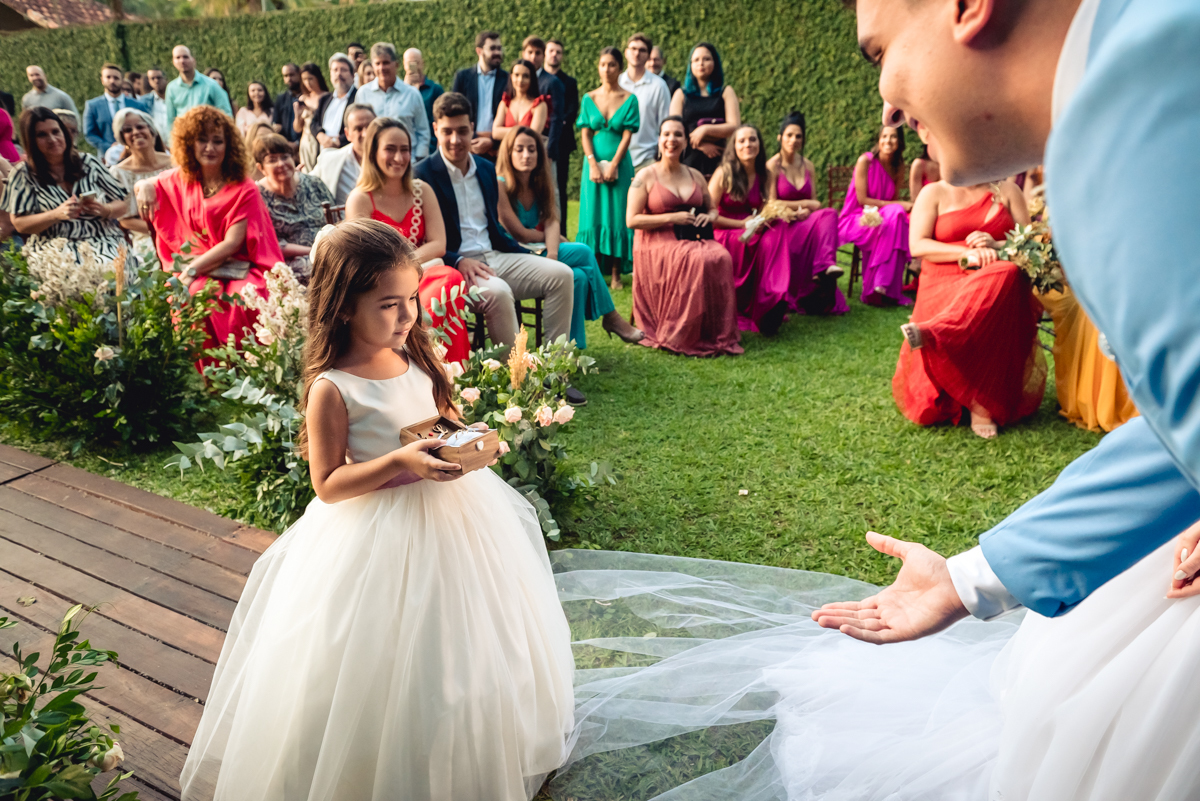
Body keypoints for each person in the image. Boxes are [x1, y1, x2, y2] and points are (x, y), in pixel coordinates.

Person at [181, 218, 574, 799]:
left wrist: (468, 442)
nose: (407, 315)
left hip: (454, 520)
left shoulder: (413, 356)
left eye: (411, 299)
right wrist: (399, 462)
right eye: (389, 305)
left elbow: (439, 420)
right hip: (375, 534)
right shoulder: (333, 387)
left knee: (465, 640)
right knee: (382, 656)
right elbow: (328, 483)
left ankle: (474, 741)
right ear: (343, 307)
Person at [415, 92, 575, 360]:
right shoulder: (422, 174)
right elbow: (422, 239)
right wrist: (457, 260)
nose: (455, 140)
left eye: (462, 131)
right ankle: (515, 376)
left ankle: (554, 368)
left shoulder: (486, 168)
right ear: (435, 129)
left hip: (495, 256)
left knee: (562, 274)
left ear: (472, 128)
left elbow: (494, 229)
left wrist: (529, 251)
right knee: (499, 292)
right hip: (454, 268)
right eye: (447, 132)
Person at [894, 178, 1043, 437]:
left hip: (997, 275)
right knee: (988, 291)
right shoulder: (934, 192)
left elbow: (1030, 244)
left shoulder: (1008, 191)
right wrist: (965, 253)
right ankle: (945, 335)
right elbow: (917, 245)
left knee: (1006, 274)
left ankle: (938, 334)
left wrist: (996, 245)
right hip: (944, 274)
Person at [136, 105, 278, 353]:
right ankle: (205, 370)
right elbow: (149, 184)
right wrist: (144, 185)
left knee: (243, 299)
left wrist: (191, 270)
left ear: (228, 145)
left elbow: (232, 243)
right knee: (193, 293)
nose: (210, 148)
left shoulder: (244, 187)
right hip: (201, 267)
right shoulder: (182, 178)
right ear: (190, 143)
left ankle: (248, 365)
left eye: (217, 141)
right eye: (202, 140)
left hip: (241, 265)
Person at [496, 126, 643, 348]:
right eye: (519, 149)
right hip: (513, 253)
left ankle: (569, 350)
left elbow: (552, 220)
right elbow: (519, 232)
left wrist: (553, 255)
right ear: (508, 153)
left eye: (532, 150)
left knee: (578, 277)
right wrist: (551, 240)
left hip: (538, 249)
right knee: (582, 251)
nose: (526, 155)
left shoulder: (540, 181)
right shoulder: (500, 184)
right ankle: (611, 317)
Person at [344, 117, 467, 364]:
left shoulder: (422, 191)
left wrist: (406, 263)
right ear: (373, 152)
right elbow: (364, 260)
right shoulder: (360, 199)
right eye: (390, 149)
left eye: (405, 149)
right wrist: (400, 269)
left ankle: (453, 369)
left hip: (426, 273)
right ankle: (426, 361)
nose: (399, 158)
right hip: (384, 285)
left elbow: (439, 244)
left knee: (450, 279)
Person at [627, 116, 741, 357]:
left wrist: (708, 217)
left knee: (721, 256)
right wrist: (671, 218)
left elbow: (712, 208)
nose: (672, 139)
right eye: (666, 134)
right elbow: (632, 220)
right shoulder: (644, 176)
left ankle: (713, 331)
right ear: (659, 140)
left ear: (686, 142)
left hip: (692, 235)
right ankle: (683, 332)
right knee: (695, 260)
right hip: (656, 240)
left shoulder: (695, 175)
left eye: (678, 134)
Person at [3, 107, 127, 262]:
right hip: (54, 247)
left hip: (104, 240)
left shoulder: (88, 162)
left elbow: (123, 203)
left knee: (110, 264)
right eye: (42, 135)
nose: (52, 139)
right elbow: (19, 224)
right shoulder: (23, 174)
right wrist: (55, 215)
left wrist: (105, 209)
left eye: (56, 132)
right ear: (31, 140)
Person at [763, 110, 848, 319]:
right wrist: (802, 207)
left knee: (829, 213)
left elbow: (816, 202)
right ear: (780, 137)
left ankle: (825, 266)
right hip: (784, 224)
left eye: (798, 136)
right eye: (789, 135)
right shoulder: (772, 166)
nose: (793, 140)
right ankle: (822, 268)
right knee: (822, 213)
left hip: (805, 222)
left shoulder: (808, 165)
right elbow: (771, 203)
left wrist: (807, 209)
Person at [576, 47, 639, 290]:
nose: (606, 69)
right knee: (592, 214)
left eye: (612, 64)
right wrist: (592, 163)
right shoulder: (588, 98)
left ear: (620, 68)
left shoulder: (630, 99)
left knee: (617, 214)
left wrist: (613, 164)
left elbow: (627, 136)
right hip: (592, 165)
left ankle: (615, 273)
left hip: (620, 165)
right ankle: (593, 269)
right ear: (598, 67)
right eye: (603, 64)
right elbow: (585, 134)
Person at [837, 125, 913, 306]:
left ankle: (882, 284)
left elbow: (892, 200)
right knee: (896, 214)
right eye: (884, 136)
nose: (888, 141)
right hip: (859, 216)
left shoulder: (898, 167)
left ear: (900, 142)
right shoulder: (866, 161)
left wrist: (896, 206)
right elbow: (862, 200)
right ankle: (882, 283)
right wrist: (898, 205)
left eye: (893, 137)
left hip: (885, 217)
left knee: (897, 218)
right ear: (878, 140)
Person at [254, 132, 333, 283]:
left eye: (285, 157)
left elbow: (336, 218)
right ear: (261, 168)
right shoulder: (258, 196)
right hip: (290, 264)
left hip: (330, 250)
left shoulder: (314, 183)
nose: (281, 164)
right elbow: (269, 243)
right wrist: (315, 251)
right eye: (272, 160)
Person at [108, 108, 172, 262]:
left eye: (140, 126)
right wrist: (162, 231)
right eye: (128, 130)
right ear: (123, 139)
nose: (135, 132)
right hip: (145, 236)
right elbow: (125, 220)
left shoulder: (175, 163)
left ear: (151, 131)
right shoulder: (118, 173)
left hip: (182, 228)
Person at [668, 43, 740, 179]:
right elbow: (673, 128)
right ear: (690, 65)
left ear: (715, 63)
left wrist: (705, 130)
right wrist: (701, 145)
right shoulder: (681, 94)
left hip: (719, 158)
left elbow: (735, 126)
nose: (701, 63)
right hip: (688, 159)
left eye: (706, 59)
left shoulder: (726, 92)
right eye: (696, 60)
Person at [357, 43, 431, 162]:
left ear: (396, 64)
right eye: (377, 63)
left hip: (407, 161)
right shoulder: (363, 93)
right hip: (374, 162)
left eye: (386, 63)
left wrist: (419, 161)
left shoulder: (412, 94)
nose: (382, 68)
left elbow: (423, 131)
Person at [619, 33, 672, 174]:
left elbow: (665, 124)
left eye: (642, 50)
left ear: (648, 55)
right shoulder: (617, 83)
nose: (637, 53)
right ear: (626, 52)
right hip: (617, 158)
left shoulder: (659, 86)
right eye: (633, 49)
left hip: (647, 160)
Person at [451, 30, 508, 159]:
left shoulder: (508, 79)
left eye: (499, 48)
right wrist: (474, 138)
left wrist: (491, 141)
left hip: (498, 149)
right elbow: (455, 111)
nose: (497, 53)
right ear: (479, 51)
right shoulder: (463, 77)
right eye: (492, 48)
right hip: (469, 146)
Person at [543, 39, 578, 228]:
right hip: (537, 140)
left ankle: (560, 229)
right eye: (551, 51)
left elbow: (571, 112)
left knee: (559, 187)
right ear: (545, 53)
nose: (554, 55)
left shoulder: (569, 83)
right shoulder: (536, 80)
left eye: (558, 52)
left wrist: (554, 126)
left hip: (561, 144)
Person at [311, 103, 375, 205]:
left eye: (370, 127)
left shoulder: (391, 160)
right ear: (347, 134)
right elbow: (308, 185)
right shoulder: (330, 160)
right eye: (358, 129)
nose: (365, 134)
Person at [84, 62, 148, 154]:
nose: (112, 81)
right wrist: (108, 147)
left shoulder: (137, 105)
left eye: (116, 78)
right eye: (108, 77)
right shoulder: (93, 106)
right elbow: (90, 133)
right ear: (102, 80)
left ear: (122, 80)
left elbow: (148, 127)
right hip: (107, 155)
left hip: (136, 152)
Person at [165, 46, 232, 132]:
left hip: (207, 134)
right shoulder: (171, 88)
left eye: (185, 57)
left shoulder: (211, 85)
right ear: (173, 62)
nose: (182, 61)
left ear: (193, 60)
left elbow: (226, 114)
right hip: (184, 136)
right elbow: (170, 120)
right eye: (178, 58)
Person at [520, 36, 564, 163]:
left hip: (543, 143)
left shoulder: (552, 82)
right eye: (530, 52)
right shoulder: (515, 80)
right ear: (523, 54)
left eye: (537, 53)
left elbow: (556, 118)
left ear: (543, 55)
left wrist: (550, 150)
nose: (533, 57)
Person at [492, 59, 548, 145]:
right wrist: (524, 130)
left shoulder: (539, 105)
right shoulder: (505, 103)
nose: (520, 80)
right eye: (516, 75)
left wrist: (506, 132)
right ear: (511, 77)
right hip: (507, 151)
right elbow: (495, 133)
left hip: (528, 151)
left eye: (525, 76)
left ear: (532, 79)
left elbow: (533, 135)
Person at [313, 54, 356, 152]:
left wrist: (338, 141)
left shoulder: (358, 97)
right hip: (323, 153)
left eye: (343, 70)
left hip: (346, 153)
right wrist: (320, 135)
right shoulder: (324, 99)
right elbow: (314, 122)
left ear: (352, 75)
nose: (338, 74)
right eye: (335, 70)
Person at [292, 61, 330, 171]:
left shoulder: (327, 97)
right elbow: (297, 129)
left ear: (317, 78)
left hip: (320, 138)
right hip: (306, 141)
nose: (308, 83)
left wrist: (312, 110)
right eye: (304, 79)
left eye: (310, 79)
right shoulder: (303, 98)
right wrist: (298, 115)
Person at [403, 48, 442, 148]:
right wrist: (405, 88)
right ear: (404, 65)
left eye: (416, 63)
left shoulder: (435, 89)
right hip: (405, 144)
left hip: (430, 145)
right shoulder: (398, 92)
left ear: (422, 63)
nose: (414, 67)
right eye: (409, 63)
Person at [272, 63, 302, 148]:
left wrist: (297, 143)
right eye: (285, 76)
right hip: (286, 146)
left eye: (292, 75)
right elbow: (276, 123)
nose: (289, 79)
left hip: (305, 144)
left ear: (299, 74)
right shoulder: (281, 99)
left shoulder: (308, 97)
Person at [140, 67, 170, 141]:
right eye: (152, 78)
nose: (156, 81)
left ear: (165, 79)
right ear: (149, 81)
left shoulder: (175, 98)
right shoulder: (144, 101)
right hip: (156, 142)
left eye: (159, 78)